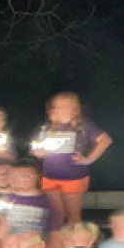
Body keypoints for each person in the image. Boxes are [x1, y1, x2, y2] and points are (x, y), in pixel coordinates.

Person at [33, 92, 112, 228]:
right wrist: (38, 152)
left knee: (73, 216)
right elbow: (35, 146)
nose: (61, 109)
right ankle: (57, 240)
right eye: (58, 106)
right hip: (49, 176)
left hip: (73, 177)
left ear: (75, 108)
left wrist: (89, 159)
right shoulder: (47, 127)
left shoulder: (84, 125)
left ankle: (75, 241)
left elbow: (105, 140)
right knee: (56, 214)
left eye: (66, 106)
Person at [5, 162, 53, 239]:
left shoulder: (48, 201)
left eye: (23, 176)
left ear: (37, 177)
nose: (14, 180)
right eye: (12, 176)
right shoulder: (5, 199)